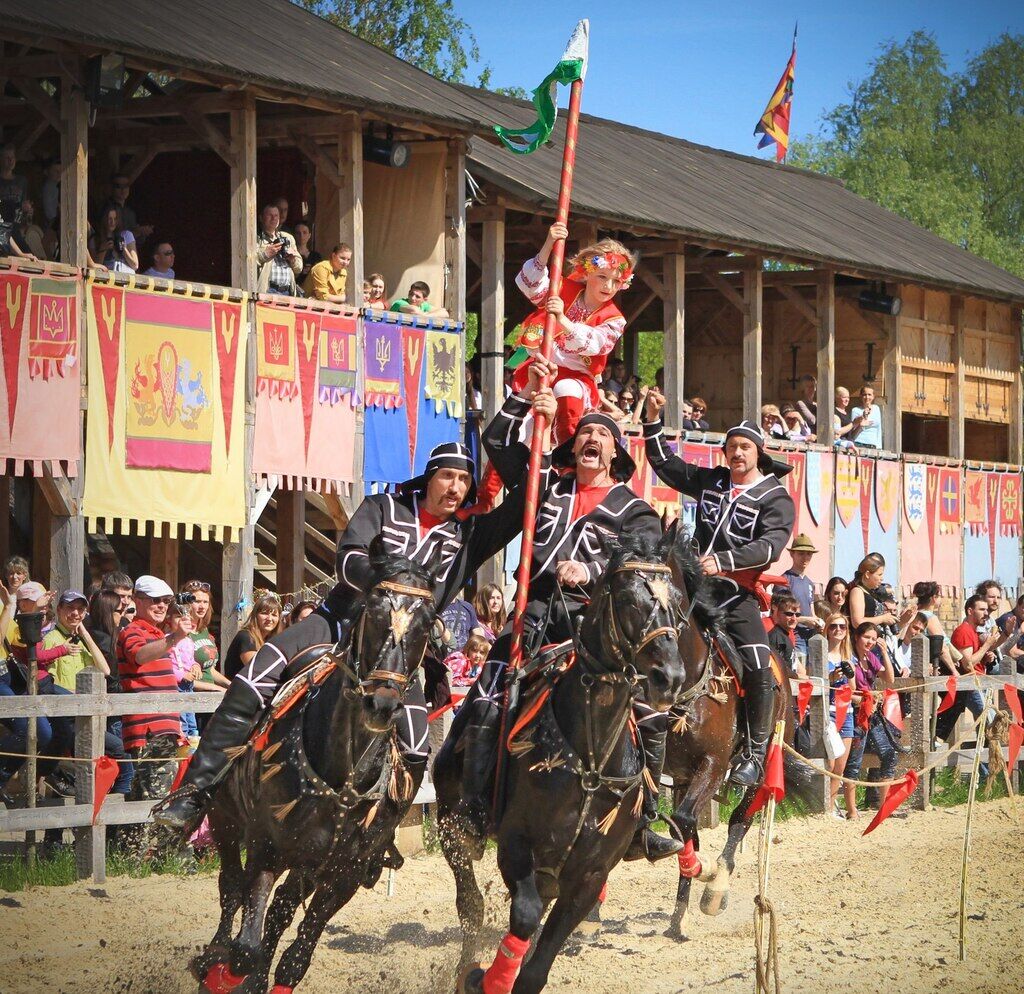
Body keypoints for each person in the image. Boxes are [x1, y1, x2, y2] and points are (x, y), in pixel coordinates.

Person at [154, 438, 530, 838]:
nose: (455, 487)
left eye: (464, 479)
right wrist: (386, 589)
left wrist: (524, 403)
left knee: (418, 748)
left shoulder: (468, 535)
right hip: (339, 620)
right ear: (429, 478)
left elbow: (525, 501)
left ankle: (378, 838)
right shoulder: (383, 508)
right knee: (254, 676)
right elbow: (349, 557)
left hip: (398, 656)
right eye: (447, 476)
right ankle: (194, 795)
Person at [455, 356, 681, 863]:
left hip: (596, 624)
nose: (590, 439)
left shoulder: (634, 510)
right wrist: (526, 395)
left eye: (601, 435)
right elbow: (496, 444)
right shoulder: (545, 485)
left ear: (615, 453)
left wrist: (594, 573)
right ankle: (475, 806)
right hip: (534, 614)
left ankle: (644, 821)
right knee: (490, 696)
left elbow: (644, 570)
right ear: (572, 445)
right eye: (583, 433)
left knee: (646, 710)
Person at [643, 389, 795, 787]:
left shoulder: (776, 497)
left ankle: (755, 753)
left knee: (760, 662)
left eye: (744, 447)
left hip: (736, 594)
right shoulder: (712, 481)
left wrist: (725, 561)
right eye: (730, 447)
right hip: (694, 589)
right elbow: (667, 465)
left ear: (759, 452)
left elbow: (770, 546)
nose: (736, 453)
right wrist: (653, 418)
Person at [508, 222, 634, 443]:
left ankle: (567, 459)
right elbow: (532, 286)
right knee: (514, 434)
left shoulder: (614, 318)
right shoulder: (563, 289)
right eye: (603, 277)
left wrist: (562, 320)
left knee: (566, 392)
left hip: (576, 377)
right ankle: (496, 475)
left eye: (616, 281)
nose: (608, 286)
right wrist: (549, 243)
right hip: (539, 370)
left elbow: (596, 344)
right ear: (587, 274)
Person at [117, 576, 192, 801]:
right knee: (154, 797)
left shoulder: (158, 633)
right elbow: (139, 655)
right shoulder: (132, 631)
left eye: (166, 601)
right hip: (148, 728)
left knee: (148, 794)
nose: (162, 605)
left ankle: (127, 836)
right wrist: (175, 638)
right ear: (138, 601)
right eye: (155, 600)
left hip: (163, 725)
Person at [843, 622, 898, 815]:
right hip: (856, 715)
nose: (870, 642)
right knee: (854, 763)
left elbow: (889, 678)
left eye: (874, 639)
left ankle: (885, 806)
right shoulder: (849, 659)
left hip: (872, 714)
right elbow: (849, 692)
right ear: (857, 636)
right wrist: (870, 698)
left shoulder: (871, 657)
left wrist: (884, 652)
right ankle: (851, 809)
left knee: (889, 754)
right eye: (867, 637)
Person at [86, 589, 135, 797]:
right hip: (112, 709)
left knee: (122, 769)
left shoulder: (112, 634)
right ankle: (116, 825)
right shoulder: (103, 640)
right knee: (126, 771)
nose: (122, 615)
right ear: (107, 612)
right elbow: (111, 674)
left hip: (118, 708)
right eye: (119, 611)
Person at [824, 613, 857, 818]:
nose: (838, 630)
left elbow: (852, 688)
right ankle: (826, 806)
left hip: (847, 712)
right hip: (828, 712)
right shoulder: (819, 653)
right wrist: (831, 677)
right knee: (830, 763)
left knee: (840, 767)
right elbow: (815, 684)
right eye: (834, 626)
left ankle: (831, 806)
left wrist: (848, 674)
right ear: (827, 629)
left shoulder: (848, 657)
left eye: (842, 627)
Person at [222, 594, 282, 681]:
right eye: (264, 613)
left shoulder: (270, 640)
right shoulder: (246, 637)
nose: (269, 618)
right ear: (255, 615)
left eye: (274, 615)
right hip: (239, 691)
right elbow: (258, 671)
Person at [181, 580, 226, 693]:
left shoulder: (204, 630)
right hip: (191, 694)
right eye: (197, 601)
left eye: (205, 602)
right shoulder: (179, 632)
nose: (202, 606)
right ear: (186, 603)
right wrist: (216, 688)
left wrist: (231, 685)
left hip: (211, 693)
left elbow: (209, 669)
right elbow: (179, 674)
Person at [783, 534, 823, 646]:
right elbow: (780, 615)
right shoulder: (784, 580)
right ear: (792, 554)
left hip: (811, 636)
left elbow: (812, 613)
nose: (805, 558)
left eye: (809, 554)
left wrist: (818, 622)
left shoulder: (810, 582)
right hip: (794, 637)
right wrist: (805, 620)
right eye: (801, 553)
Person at [256, 203, 301, 295]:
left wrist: (292, 260)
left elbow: (299, 268)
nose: (273, 218)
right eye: (270, 215)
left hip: (287, 291)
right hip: (268, 290)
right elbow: (247, 263)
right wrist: (265, 254)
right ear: (261, 218)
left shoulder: (288, 238)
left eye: (276, 215)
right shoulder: (255, 239)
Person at [104, 172, 153, 247]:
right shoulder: (107, 209)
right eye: (118, 186)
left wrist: (142, 232)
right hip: (111, 254)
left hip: (128, 253)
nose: (123, 190)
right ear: (112, 188)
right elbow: (114, 239)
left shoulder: (130, 212)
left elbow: (138, 241)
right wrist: (137, 231)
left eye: (126, 186)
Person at [767, 592, 806, 678]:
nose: (794, 618)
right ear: (778, 613)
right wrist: (797, 676)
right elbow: (777, 666)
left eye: (797, 615)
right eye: (789, 614)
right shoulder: (776, 636)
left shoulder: (785, 635)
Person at [90, 205, 138, 273]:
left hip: (127, 277)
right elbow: (94, 266)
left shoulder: (126, 235)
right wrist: (103, 249)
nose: (112, 222)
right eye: (109, 219)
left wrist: (123, 249)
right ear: (103, 219)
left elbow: (135, 265)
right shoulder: (95, 239)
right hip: (107, 278)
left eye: (115, 219)